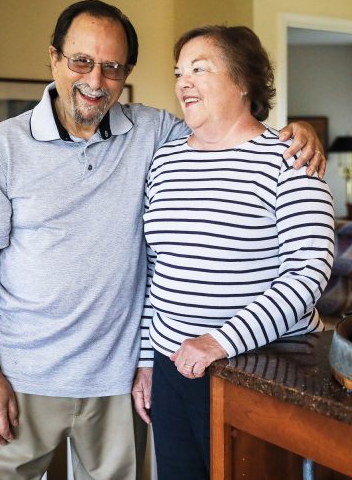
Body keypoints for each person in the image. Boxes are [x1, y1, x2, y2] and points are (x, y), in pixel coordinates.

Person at [0, 0, 325, 479]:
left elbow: (231, 136)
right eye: (81, 61)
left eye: (112, 67)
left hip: (118, 381)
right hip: (21, 376)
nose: (95, 80)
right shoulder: (3, 146)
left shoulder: (156, 135)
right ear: (54, 58)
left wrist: (301, 131)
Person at [132, 25, 335, 479]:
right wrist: (148, 360)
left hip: (260, 370)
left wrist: (219, 342)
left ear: (243, 81)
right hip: (172, 369)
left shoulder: (289, 159)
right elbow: (158, 271)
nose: (183, 82)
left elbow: (309, 272)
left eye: (199, 69)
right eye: (179, 71)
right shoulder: (165, 161)